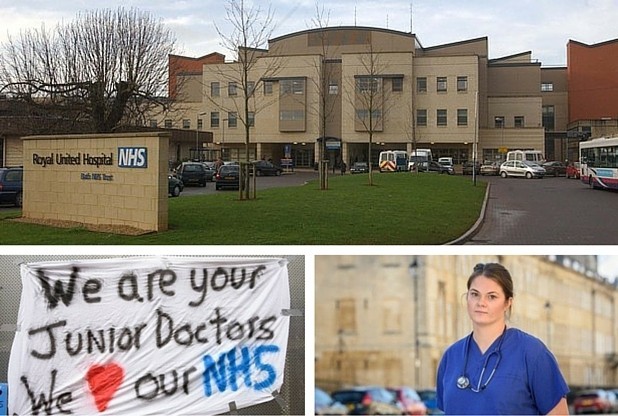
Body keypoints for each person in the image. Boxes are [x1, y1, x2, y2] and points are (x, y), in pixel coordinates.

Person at [436, 263, 569, 415]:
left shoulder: (532, 354)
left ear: (507, 303)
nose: (481, 303)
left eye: (491, 297)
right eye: (474, 294)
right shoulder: (451, 357)